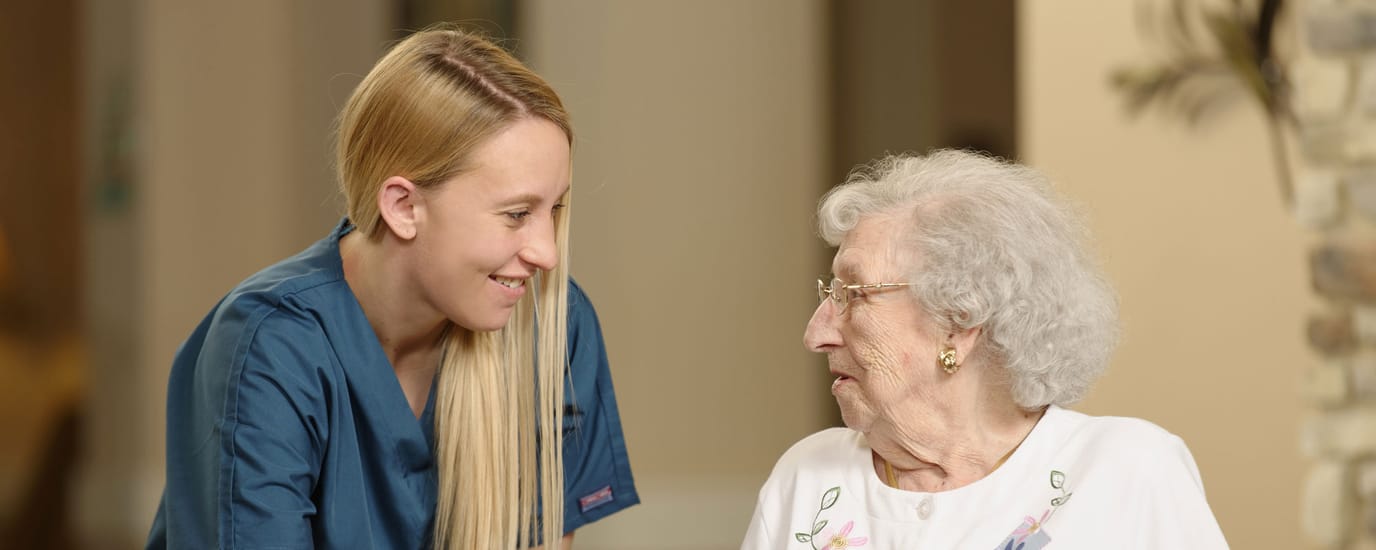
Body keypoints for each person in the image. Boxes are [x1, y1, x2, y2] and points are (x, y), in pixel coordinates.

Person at [146, 26, 637, 549]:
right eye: (517, 214)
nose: (548, 254)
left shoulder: (553, 322)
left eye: (554, 209)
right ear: (403, 207)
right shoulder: (271, 344)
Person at [742, 150, 1226, 549]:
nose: (817, 333)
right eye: (830, 294)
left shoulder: (1125, 471)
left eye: (854, 294)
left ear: (959, 320)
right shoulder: (807, 480)